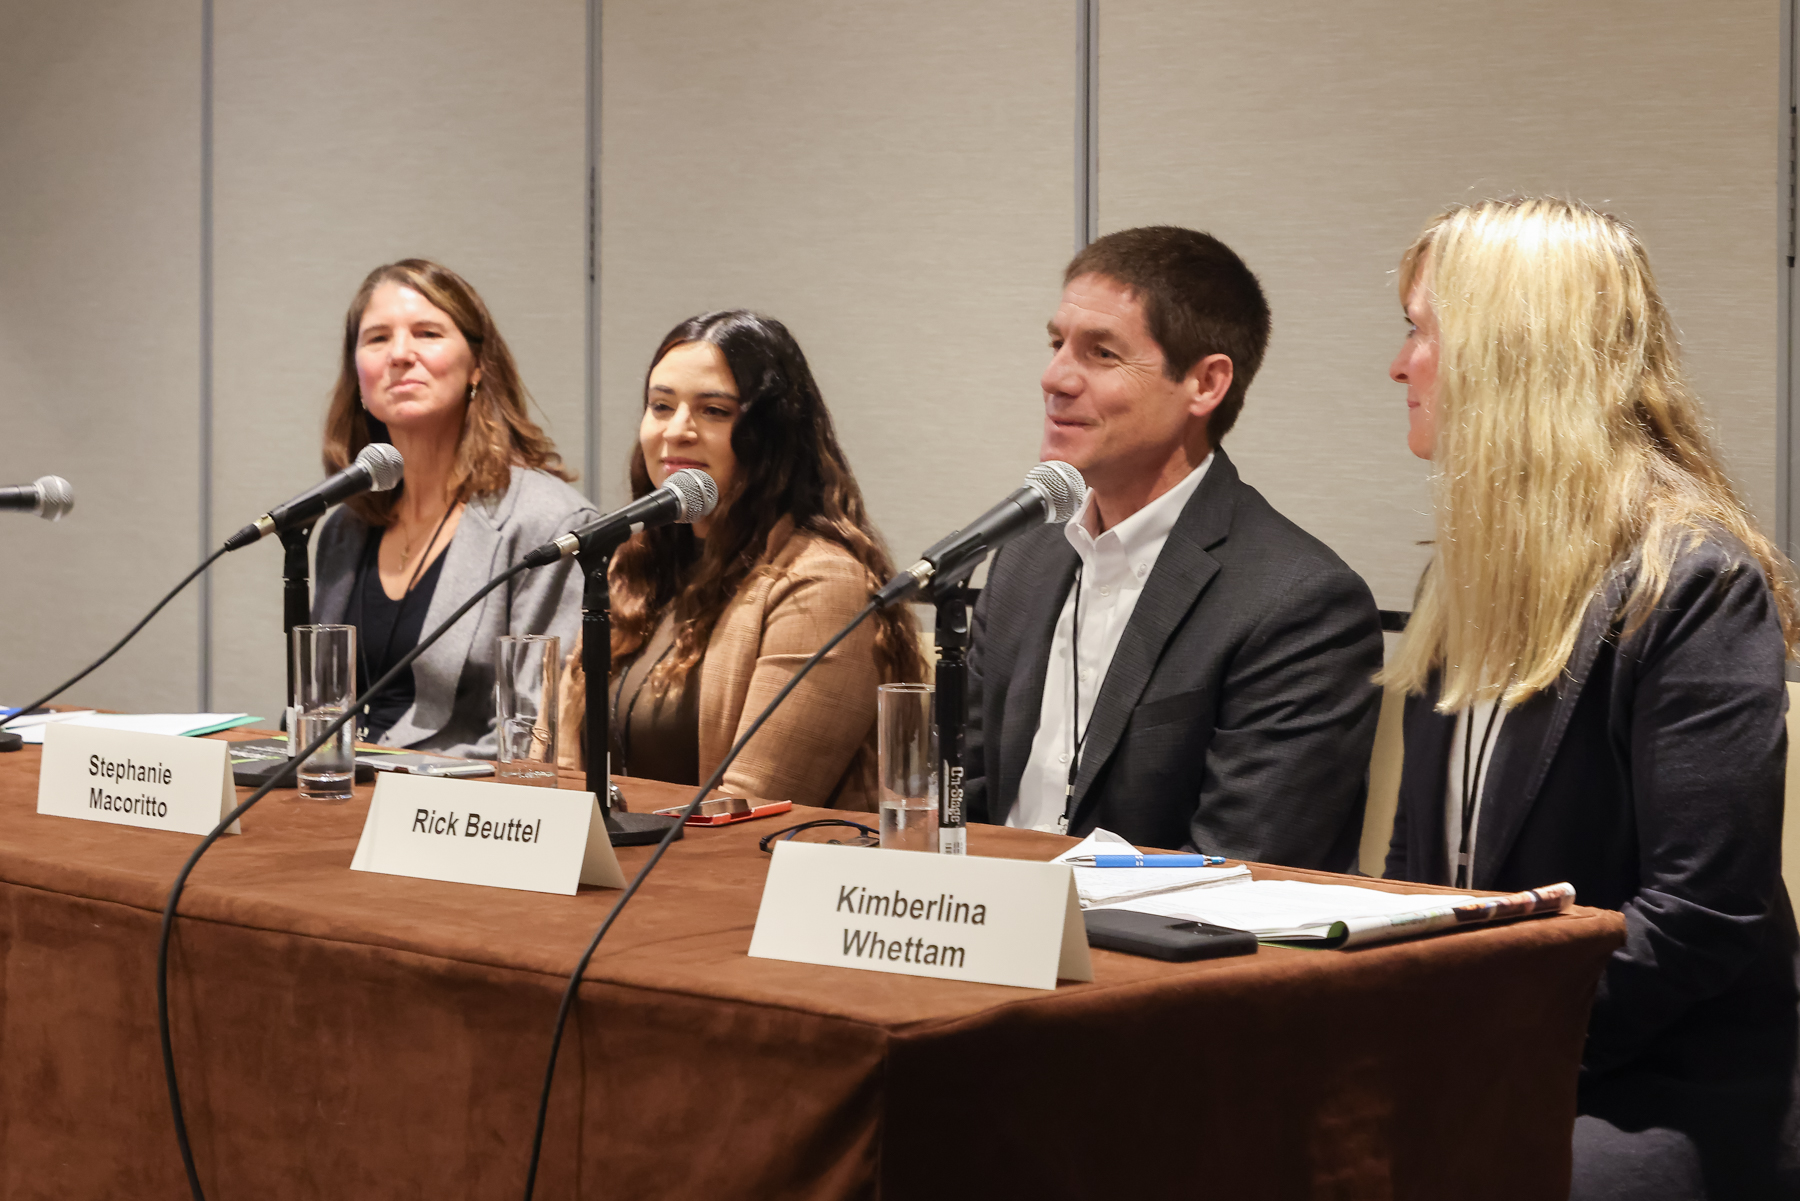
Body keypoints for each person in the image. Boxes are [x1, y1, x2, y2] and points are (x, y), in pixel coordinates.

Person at [1381, 197, 1800, 1199]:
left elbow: (1703, 915)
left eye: (1420, 330)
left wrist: (1484, 1045)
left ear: (1508, 354)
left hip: (1659, 1084)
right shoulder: (1463, 580)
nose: (1399, 365)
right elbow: (1414, 880)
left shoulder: (1692, 577)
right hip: (1488, 1052)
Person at [964, 226, 1383, 867]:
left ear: (1205, 384)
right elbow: (969, 808)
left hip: (1152, 958)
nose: (1055, 377)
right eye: (1057, 344)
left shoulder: (1299, 603)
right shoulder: (1022, 561)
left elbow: (1242, 866)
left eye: (1101, 353)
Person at [558, 310, 922, 810]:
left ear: (770, 436)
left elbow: (750, 808)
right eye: (661, 406)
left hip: (730, 877)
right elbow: (551, 757)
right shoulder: (631, 566)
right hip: (606, 865)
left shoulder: (822, 583)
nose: (677, 431)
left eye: (714, 411)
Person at [311, 259, 597, 757]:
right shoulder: (344, 527)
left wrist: (396, 783)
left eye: (427, 333)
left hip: (457, 812)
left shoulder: (546, 525)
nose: (400, 354)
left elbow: (532, 736)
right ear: (357, 375)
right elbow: (320, 706)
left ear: (478, 365)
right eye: (377, 339)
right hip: (335, 793)